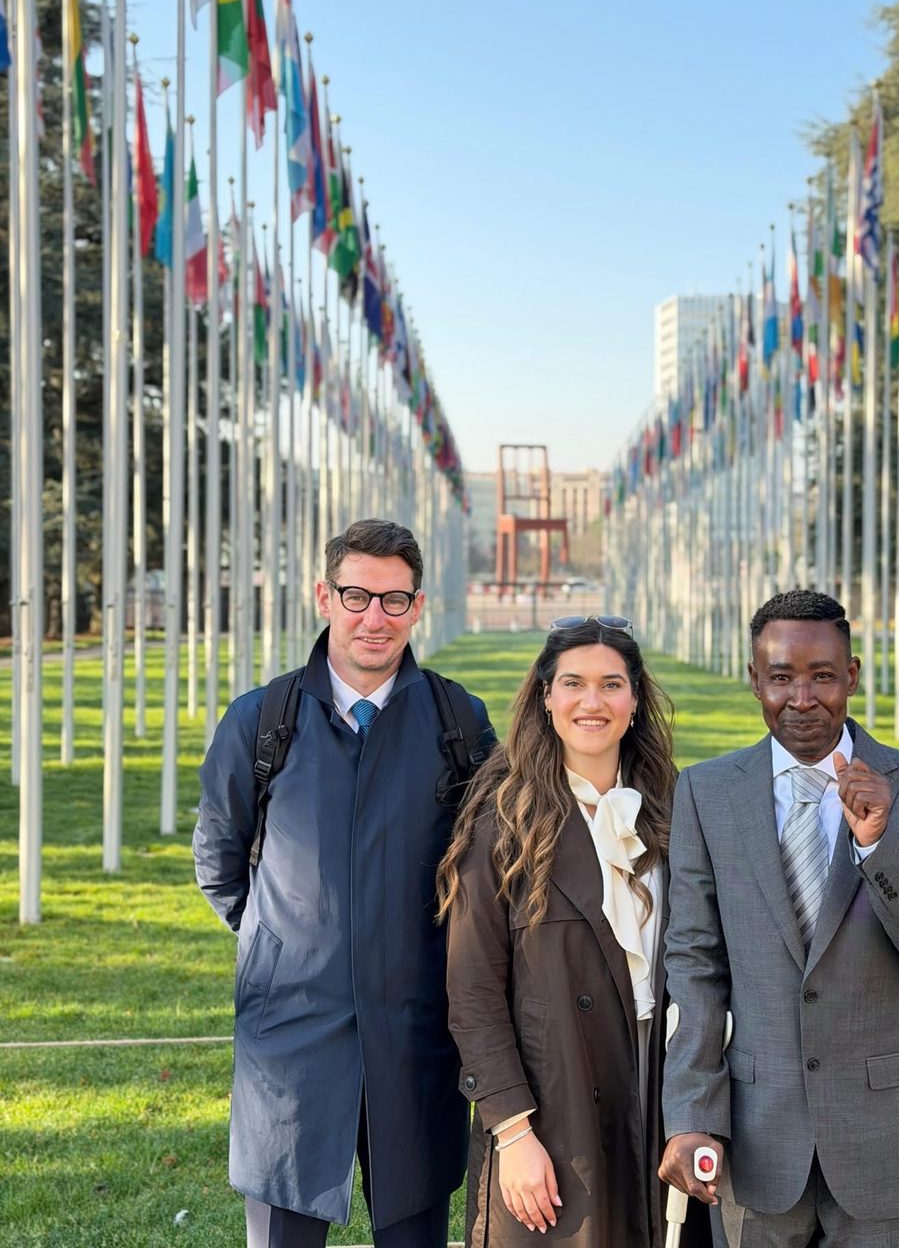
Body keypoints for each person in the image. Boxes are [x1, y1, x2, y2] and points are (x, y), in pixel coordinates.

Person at [193, 518, 496, 1248]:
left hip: (419, 1033)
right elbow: (218, 859)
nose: (375, 618)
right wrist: (287, 943)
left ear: (417, 608)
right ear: (325, 597)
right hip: (290, 1038)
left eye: (395, 601)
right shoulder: (261, 722)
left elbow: (491, 867)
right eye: (357, 596)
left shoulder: (460, 722)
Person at [659, 589, 899, 1248]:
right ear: (755, 681)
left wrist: (877, 847)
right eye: (781, 677)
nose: (801, 697)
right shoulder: (706, 793)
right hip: (757, 1148)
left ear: (853, 676)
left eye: (822, 676)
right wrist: (691, 1113)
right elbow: (694, 967)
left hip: (888, 1149)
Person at [438, 616, 711, 1247]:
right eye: (574, 684)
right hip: (553, 1096)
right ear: (545, 695)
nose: (593, 702)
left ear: (636, 700)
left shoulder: (673, 809)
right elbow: (472, 990)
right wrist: (512, 1130)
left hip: (659, 1091)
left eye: (612, 684)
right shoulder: (502, 818)